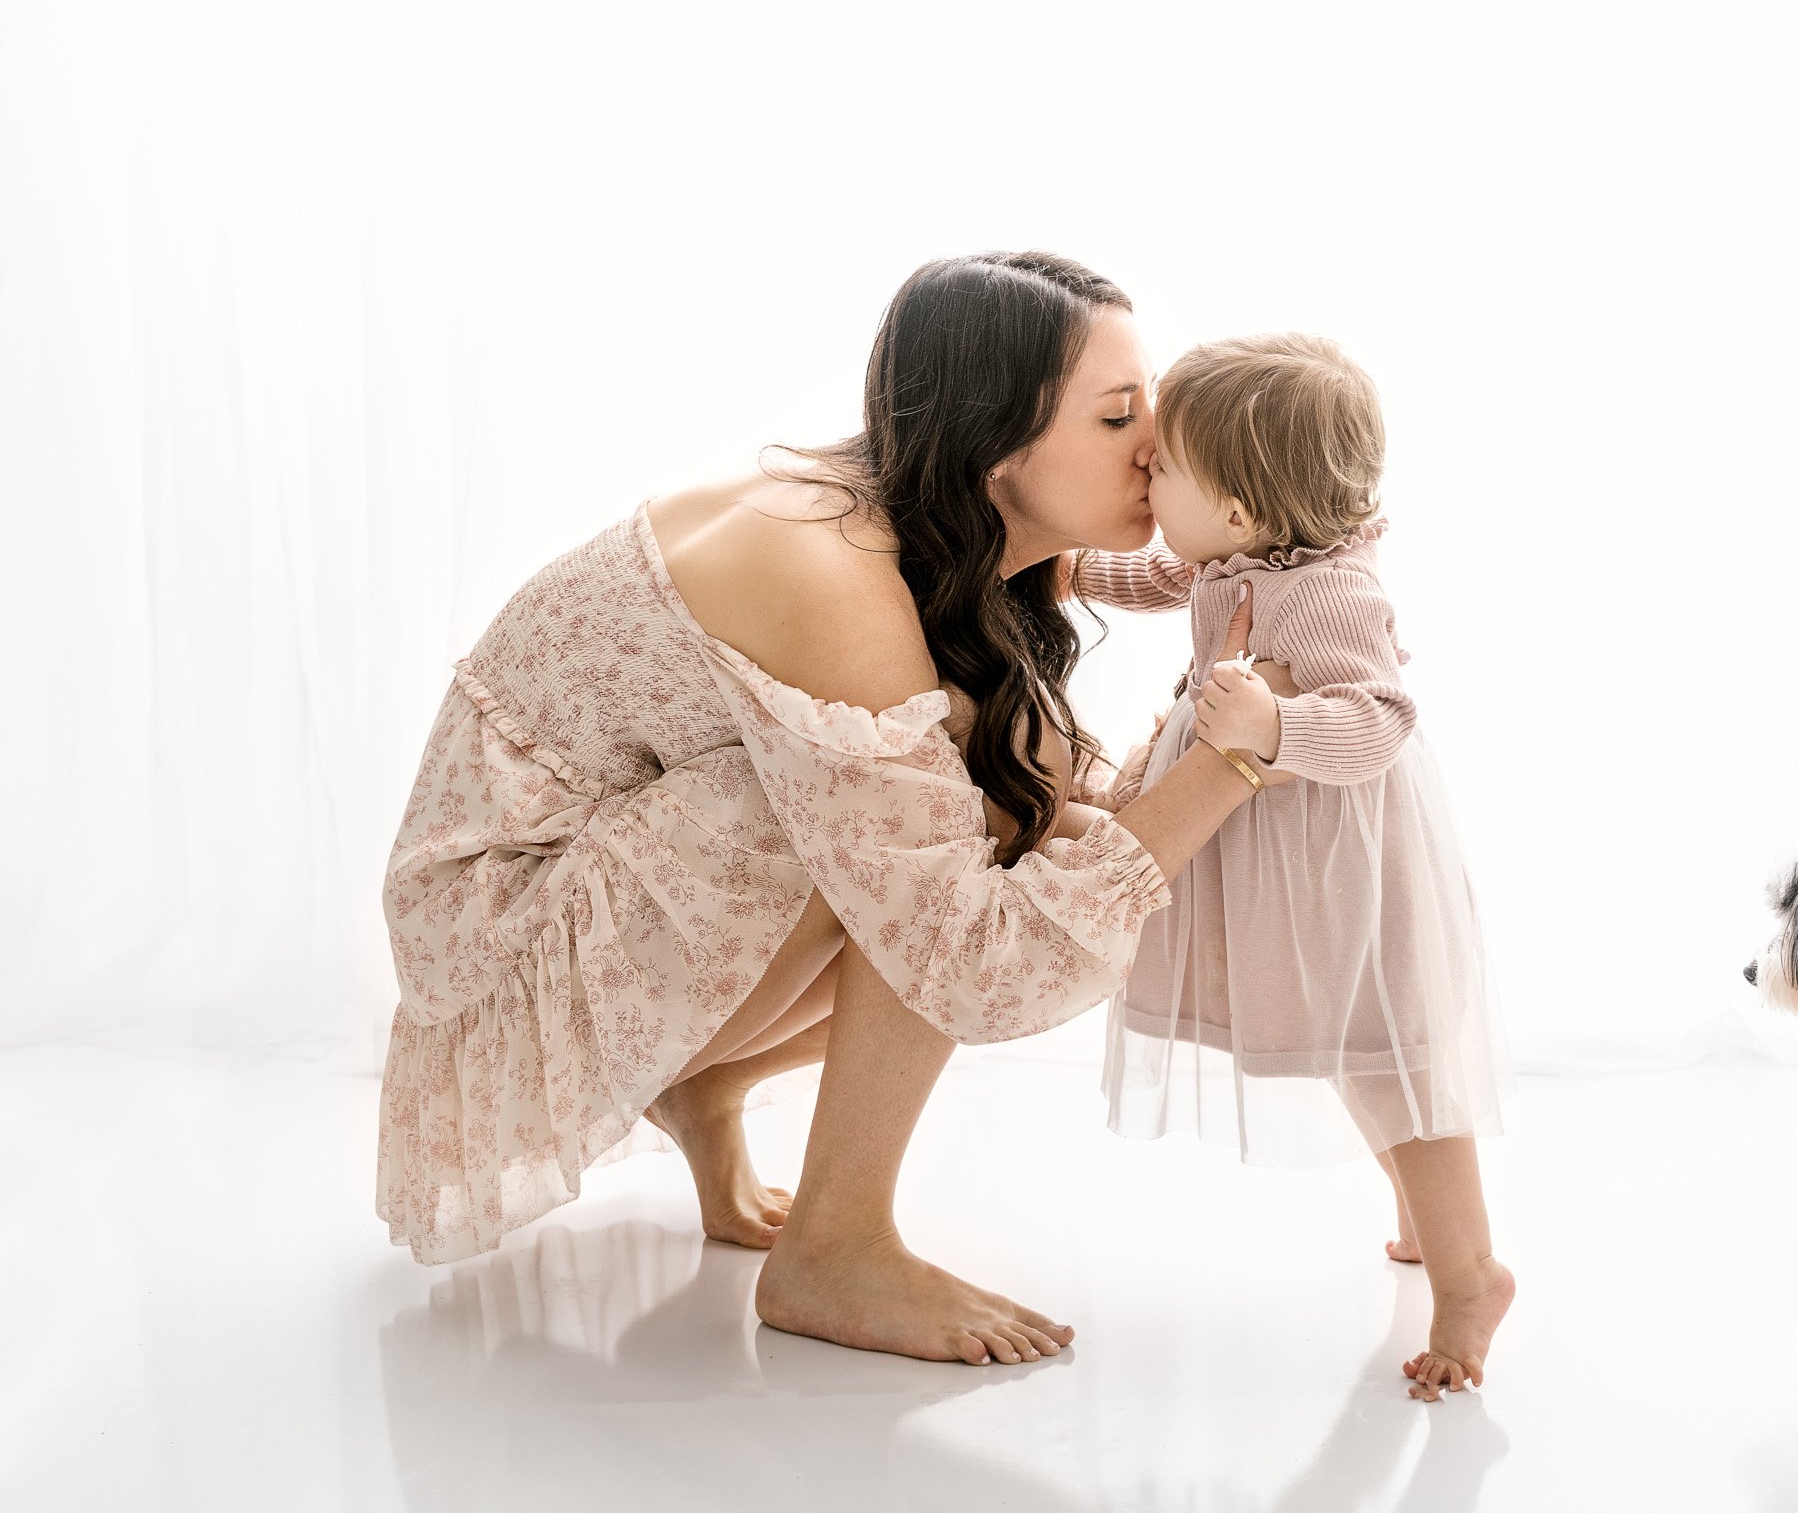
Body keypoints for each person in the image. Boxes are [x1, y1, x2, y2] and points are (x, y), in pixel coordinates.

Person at [376, 252, 1280, 1367]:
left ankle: (706, 1092)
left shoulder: (945, 529)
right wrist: (1225, 770)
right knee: (953, 829)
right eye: (1115, 415)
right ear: (996, 444)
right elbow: (961, 951)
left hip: (589, 891)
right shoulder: (833, 570)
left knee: (988, 803)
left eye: (1150, 398)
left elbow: (1059, 800)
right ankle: (836, 1248)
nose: (1159, 439)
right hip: (495, 951)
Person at [1076, 333, 1513, 1401]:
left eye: (1160, 467)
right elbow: (1154, 571)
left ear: (1234, 508)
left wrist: (1276, 724)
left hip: (1335, 850)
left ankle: (1472, 1274)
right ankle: (1421, 1218)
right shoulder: (1244, 545)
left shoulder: (1329, 594)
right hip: (1284, 845)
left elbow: (1380, 718)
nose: (1143, 473)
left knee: (1380, 1045)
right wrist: (1067, 560)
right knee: (1351, 1043)